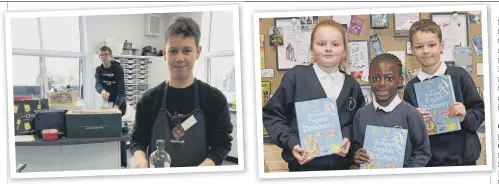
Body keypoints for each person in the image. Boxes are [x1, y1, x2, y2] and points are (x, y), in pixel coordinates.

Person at [129, 17, 233, 168]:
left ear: (198, 52)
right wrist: (139, 158)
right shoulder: (149, 100)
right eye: (173, 51)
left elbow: (221, 144)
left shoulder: (214, 99)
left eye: (186, 51)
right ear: (164, 53)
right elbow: (137, 140)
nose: (179, 58)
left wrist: (201, 171)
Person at [262, 20, 365, 171]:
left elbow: (358, 121)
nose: (328, 49)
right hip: (303, 168)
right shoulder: (295, 77)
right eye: (321, 44)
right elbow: (272, 115)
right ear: (311, 48)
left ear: (344, 51)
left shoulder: (352, 85)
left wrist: (348, 137)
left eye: (335, 44)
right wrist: (291, 142)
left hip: (341, 168)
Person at [403, 19, 485, 166]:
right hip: (429, 165)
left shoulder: (459, 76)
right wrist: (415, 121)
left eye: (432, 45)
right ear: (412, 50)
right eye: (419, 46)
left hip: (463, 162)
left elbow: (480, 112)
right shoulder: (411, 88)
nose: (426, 51)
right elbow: (408, 132)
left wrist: (465, 116)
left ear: (441, 46)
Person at [352, 53, 431, 168]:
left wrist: (402, 176)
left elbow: (423, 153)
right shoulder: (361, 115)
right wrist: (357, 156)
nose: (382, 83)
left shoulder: (411, 114)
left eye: (389, 78)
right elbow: (356, 147)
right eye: (375, 78)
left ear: (400, 81)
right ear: (369, 80)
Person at [94, 46, 127, 168]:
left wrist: (117, 106)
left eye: (106, 54)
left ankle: (123, 163)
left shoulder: (118, 69)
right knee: (105, 129)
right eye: (101, 55)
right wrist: (101, 90)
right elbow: (97, 84)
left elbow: (122, 91)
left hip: (118, 103)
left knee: (118, 131)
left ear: (111, 56)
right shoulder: (99, 69)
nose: (103, 57)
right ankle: (108, 159)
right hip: (106, 104)